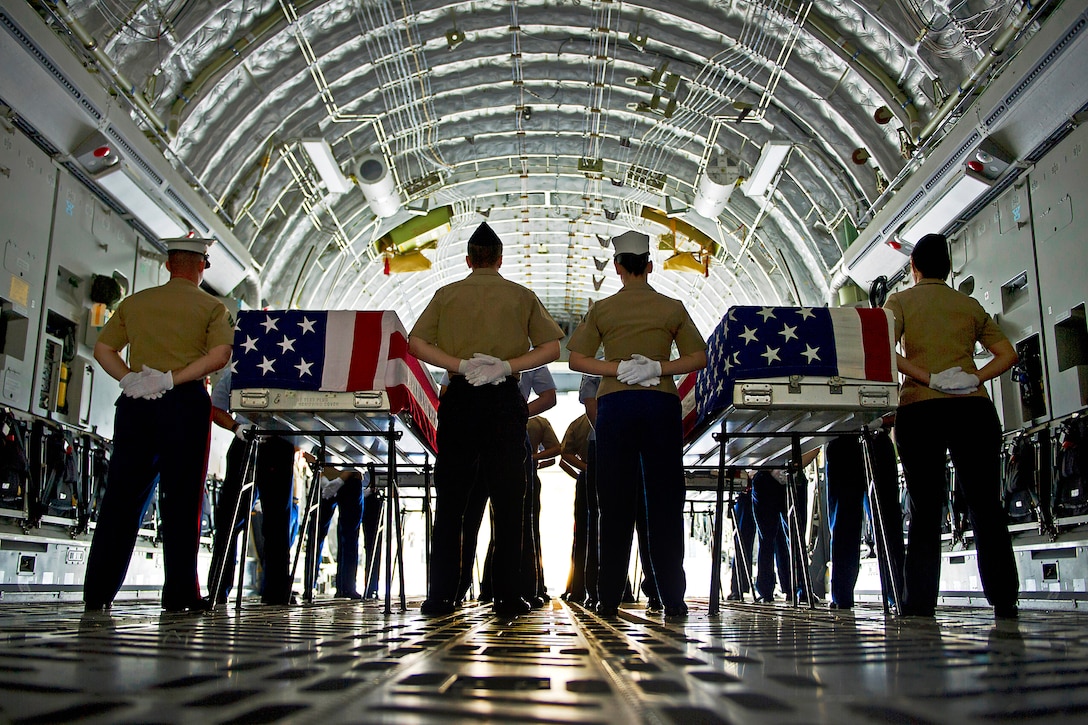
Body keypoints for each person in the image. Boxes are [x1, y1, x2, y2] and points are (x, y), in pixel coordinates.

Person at [409, 221, 563, 617]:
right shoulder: (521, 295)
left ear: (468, 260)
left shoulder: (446, 294)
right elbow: (550, 347)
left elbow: (415, 343)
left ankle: (441, 595)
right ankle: (509, 596)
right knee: (510, 500)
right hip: (502, 401)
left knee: (451, 500)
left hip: (459, 398)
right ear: (499, 259)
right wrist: (506, 366)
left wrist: (459, 364)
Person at [84, 237, 233, 613]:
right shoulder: (212, 308)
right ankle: (180, 594)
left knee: (121, 498)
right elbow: (220, 355)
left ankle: (98, 593)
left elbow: (103, 348)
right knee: (182, 500)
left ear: (168, 265)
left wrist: (130, 379)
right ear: (202, 267)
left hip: (136, 405)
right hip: (184, 405)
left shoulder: (134, 303)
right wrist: (172, 379)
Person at [567, 229, 707, 618]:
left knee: (612, 503)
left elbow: (576, 359)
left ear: (617, 268)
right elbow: (699, 357)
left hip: (615, 406)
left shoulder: (602, 309)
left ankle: (607, 597)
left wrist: (619, 369)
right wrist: (657, 367)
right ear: (649, 266)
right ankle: (671, 598)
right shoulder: (672, 307)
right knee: (665, 501)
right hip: (661, 405)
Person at [884, 232, 1020, 619]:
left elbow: (884, 349)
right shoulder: (969, 305)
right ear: (948, 268)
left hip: (921, 409)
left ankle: (920, 603)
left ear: (914, 268)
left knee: (925, 508)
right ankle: (1004, 599)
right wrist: (974, 378)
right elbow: (1007, 353)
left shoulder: (901, 301)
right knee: (985, 506)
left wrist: (927, 377)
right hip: (972, 411)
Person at [206, 368, 295, 606]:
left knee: (277, 522)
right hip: (244, 440)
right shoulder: (236, 370)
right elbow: (214, 408)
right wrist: (236, 428)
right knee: (229, 518)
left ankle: (276, 592)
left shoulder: (293, 365)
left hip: (279, 442)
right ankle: (218, 588)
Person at [824, 420, 905, 610]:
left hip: (864, 439)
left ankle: (897, 592)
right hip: (848, 440)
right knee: (847, 526)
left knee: (885, 524)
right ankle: (844, 596)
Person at [304, 466, 367, 599]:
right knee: (317, 535)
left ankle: (346, 587)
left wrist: (339, 479)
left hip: (348, 479)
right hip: (329, 477)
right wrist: (323, 479)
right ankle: (311, 586)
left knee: (347, 537)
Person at [726, 472, 755, 601]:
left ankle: (738, 588)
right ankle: (739, 587)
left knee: (743, 539)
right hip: (747, 485)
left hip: (748, 485)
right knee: (743, 538)